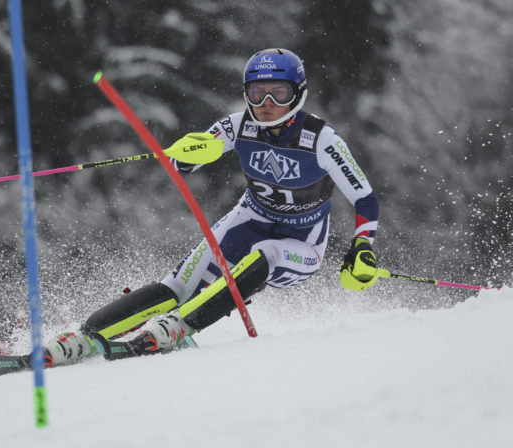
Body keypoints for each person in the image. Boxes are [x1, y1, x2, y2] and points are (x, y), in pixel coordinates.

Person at [43, 48, 380, 366]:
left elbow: (363, 197)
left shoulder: (322, 139)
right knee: (176, 286)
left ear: (298, 93)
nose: (266, 103)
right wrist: (188, 154)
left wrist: (363, 244)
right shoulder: (238, 125)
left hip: (301, 243)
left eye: (279, 93)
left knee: (266, 254)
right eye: (256, 92)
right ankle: (84, 337)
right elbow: (182, 163)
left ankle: (179, 326)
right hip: (248, 220)